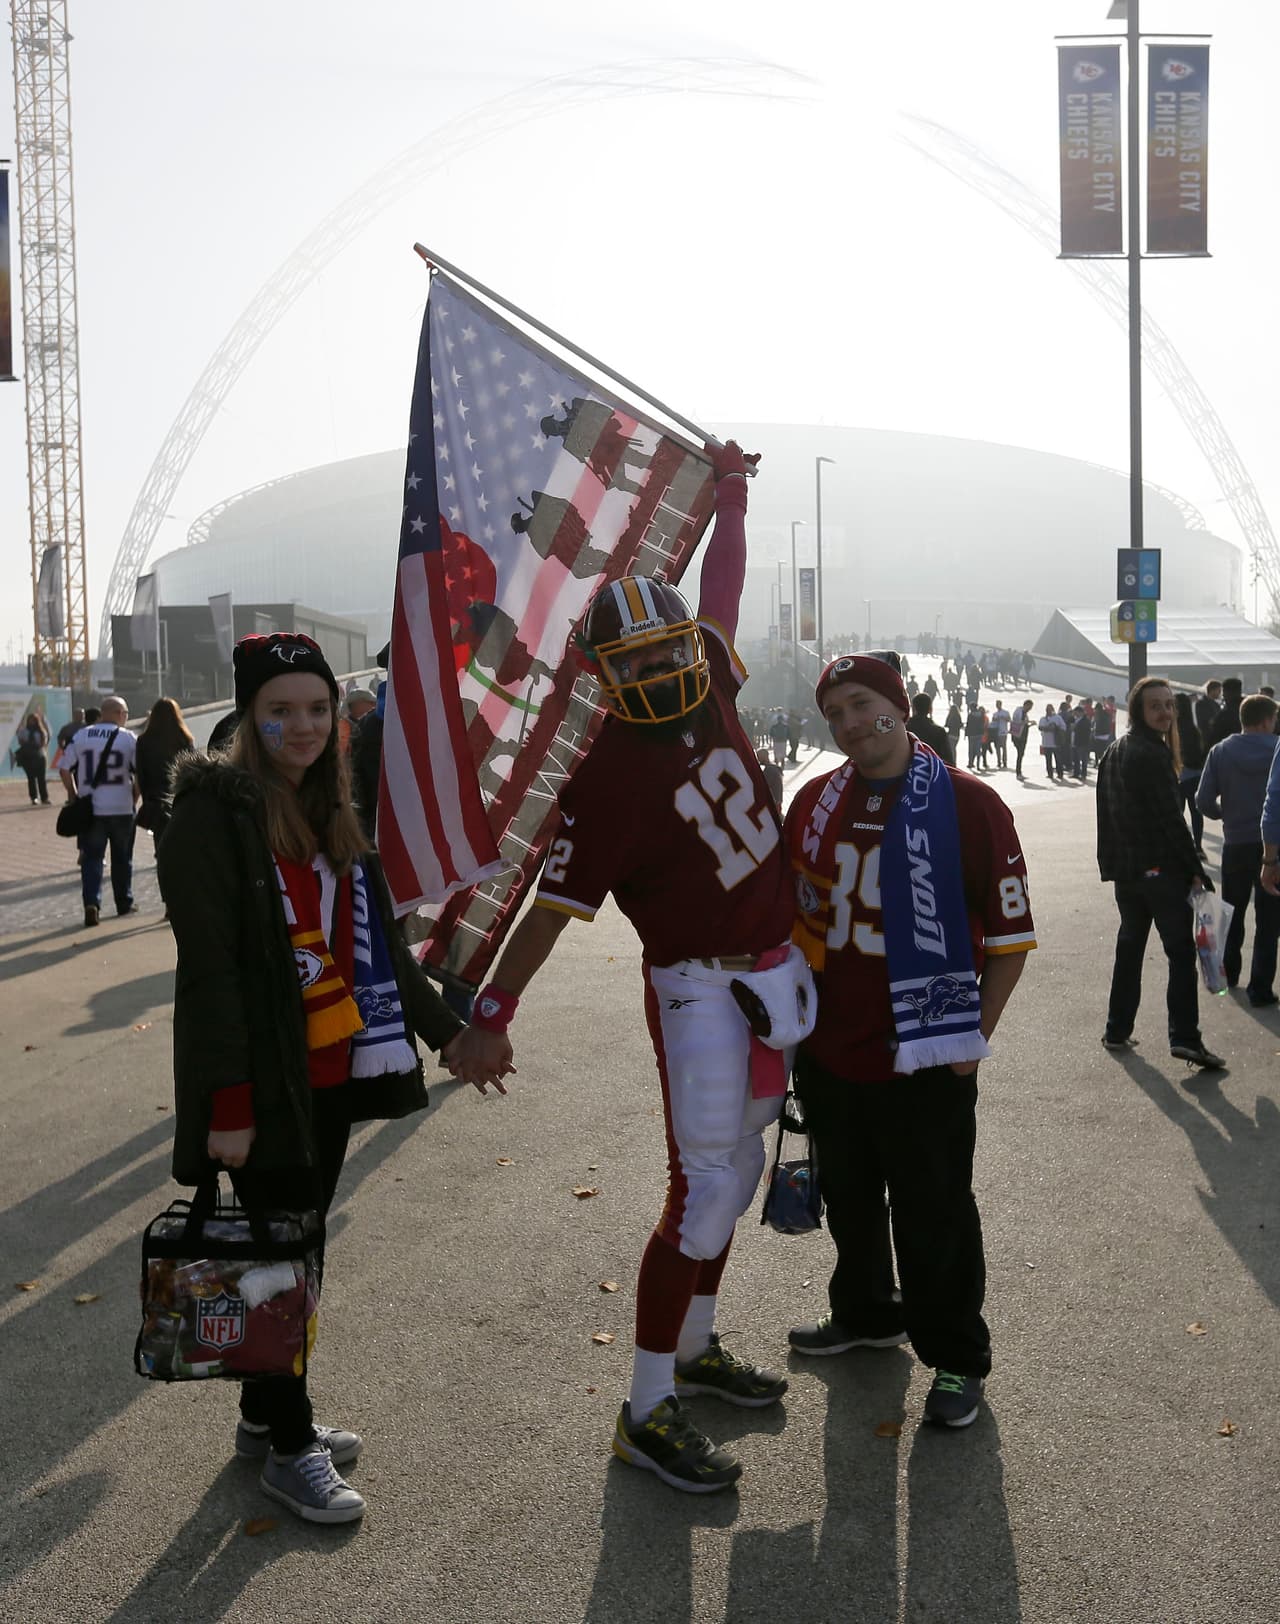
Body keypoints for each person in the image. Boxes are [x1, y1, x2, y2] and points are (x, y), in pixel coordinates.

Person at [453, 442, 798, 1495]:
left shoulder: (715, 675)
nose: (653, 674)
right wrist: (492, 1012)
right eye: (631, 664)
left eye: (663, 653)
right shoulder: (605, 774)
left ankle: (691, 1349)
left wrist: (732, 495)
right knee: (703, 1191)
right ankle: (643, 1412)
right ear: (602, 678)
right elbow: (551, 911)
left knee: (738, 1174)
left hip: (773, 973)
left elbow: (724, 586)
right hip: (698, 988)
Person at [157, 630, 497, 1527]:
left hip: (335, 1070)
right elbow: (213, 975)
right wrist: (230, 1105)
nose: (303, 726)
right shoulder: (209, 819)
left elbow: (386, 950)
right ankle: (289, 1445)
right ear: (248, 717)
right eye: (281, 711)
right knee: (279, 1261)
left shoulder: (333, 815)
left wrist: (452, 1035)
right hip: (264, 1081)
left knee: (296, 1251)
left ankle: (263, 1416)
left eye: (317, 709)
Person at [784, 654, 1035, 1429]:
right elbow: (789, 922)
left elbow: (1011, 939)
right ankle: (866, 1314)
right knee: (850, 1201)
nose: (851, 723)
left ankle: (957, 1356)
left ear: (898, 704)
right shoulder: (815, 801)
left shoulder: (968, 803)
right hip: (832, 1048)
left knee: (935, 1213)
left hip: (926, 1051)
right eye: (835, 714)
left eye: (862, 704)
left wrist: (972, 1038)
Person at [1095, 676, 1223, 1067]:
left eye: (1169, 705)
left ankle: (1117, 1029)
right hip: (1160, 871)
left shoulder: (1116, 749)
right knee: (1181, 954)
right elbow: (1172, 820)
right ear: (1139, 710)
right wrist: (1195, 869)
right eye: (1156, 706)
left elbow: (1105, 815)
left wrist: (1112, 865)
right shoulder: (1153, 753)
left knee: (1130, 948)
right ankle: (1185, 1038)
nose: (1165, 712)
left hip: (1128, 874)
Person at [1195, 694, 1280, 1006]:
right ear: (1267, 720)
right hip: (1273, 847)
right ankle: (1261, 988)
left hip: (1236, 843)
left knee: (1233, 910)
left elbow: (1203, 800)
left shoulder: (1221, 751)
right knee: (1269, 921)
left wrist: (1224, 814)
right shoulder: (1278, 748)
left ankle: (1229, 973)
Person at [59, 697, 140, 927]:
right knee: (122, 858)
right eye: (126, 713)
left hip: (92, 809)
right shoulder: (128, 738)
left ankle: (91, 904)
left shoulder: (82, 736)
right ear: (118, 713)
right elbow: (140, 773)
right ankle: (123, 903)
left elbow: (64, 769)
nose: (126, 717)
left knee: (92, 858)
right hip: (122, 807)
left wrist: (73, 794)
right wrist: (134, 796)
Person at [135, 697, 195, 844]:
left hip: (156, 801)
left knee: (161, 843)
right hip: (179, 798)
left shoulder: (144, 741)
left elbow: (141, 775)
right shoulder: (184, 739)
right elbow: (191, 770)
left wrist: (147, 799)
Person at [1174, 692, 1206, 856]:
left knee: (1177, 814)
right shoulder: (1193, 729)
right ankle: (1198, 846)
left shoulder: (1173, 729)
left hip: (1179, 776)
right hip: (1195, 775)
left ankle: (1180, 847)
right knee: (1196, 813)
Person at [13, 711, 51, 806]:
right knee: (31, 778)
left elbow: (44, 743)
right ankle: (34, 798)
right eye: (30, 720)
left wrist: (36, 745)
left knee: (41, 778)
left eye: (33, 720)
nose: (31, 722)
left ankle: (44, 798)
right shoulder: (24, 731)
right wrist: (26, 743)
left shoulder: (41, 731)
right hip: (27, 757)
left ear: (37, 721)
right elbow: (20, 741)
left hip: (39, 756)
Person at [907, 692, 954, 766]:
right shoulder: (939, 732)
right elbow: (949, 761)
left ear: (913, 708)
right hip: (932, 771)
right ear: (930, 709)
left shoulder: (904, 730)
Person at [1207, 676, 1243, 748]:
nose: (1222, 695)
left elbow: (1214, 740)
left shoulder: (1223, 716)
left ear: (1227, 693)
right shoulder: (1249, 709)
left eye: (1223, 692)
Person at [1039, 702, 1066, 781]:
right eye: (1047, 709)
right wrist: (1047, 728)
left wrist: (1055, 727)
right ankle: (1050, 774)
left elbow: (1064, 727)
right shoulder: (1043, 719)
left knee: (1058, 759)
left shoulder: (1058, 718)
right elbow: (1040, 727)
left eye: (1050, 709)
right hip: (1046, 743)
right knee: (1048, 760)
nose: (1048, 711)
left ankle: (1060, 773)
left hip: (1055, 743)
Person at [1010, 699, 1035, 779]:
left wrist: (1030, 724)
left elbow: (1024, 725)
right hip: (1018, 736)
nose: (1030, 709)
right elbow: (1019, 722)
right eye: (1029, 707)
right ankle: (1018, 773)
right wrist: (1028, 722)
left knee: (1021, 754)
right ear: (1026, 705)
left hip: (1022, 736)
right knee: (1020, 754)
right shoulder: (1019, 712)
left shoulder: (1024, 713)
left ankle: (1019, 772)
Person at [990, 701, 1010, 771]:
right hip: (996, 733)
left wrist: (1004, 718)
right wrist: (995, 719)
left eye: (998, 704)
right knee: (997, 748)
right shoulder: (995, 714)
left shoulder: (1005, 712)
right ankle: (999, 761)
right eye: (997, 705)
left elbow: (1009, 719)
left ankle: (1005, 761)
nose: (997, 706)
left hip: (1003, 732)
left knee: (1004, 747)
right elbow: (992, 721)